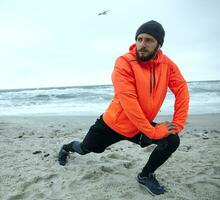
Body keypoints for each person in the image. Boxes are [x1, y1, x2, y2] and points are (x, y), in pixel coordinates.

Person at [58, 20, 189, 195]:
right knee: (85, 149)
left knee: (171, 140)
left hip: (139, 125)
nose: (142, 45)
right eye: (139, 39)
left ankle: (145, 175)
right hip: (113, 124)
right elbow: (129, 102)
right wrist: (152, 131)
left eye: (149, 40)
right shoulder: (124, 62)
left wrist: (178, 124)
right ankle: (66, 147)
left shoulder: (167, 65)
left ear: (159, 44)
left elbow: (181, 90)